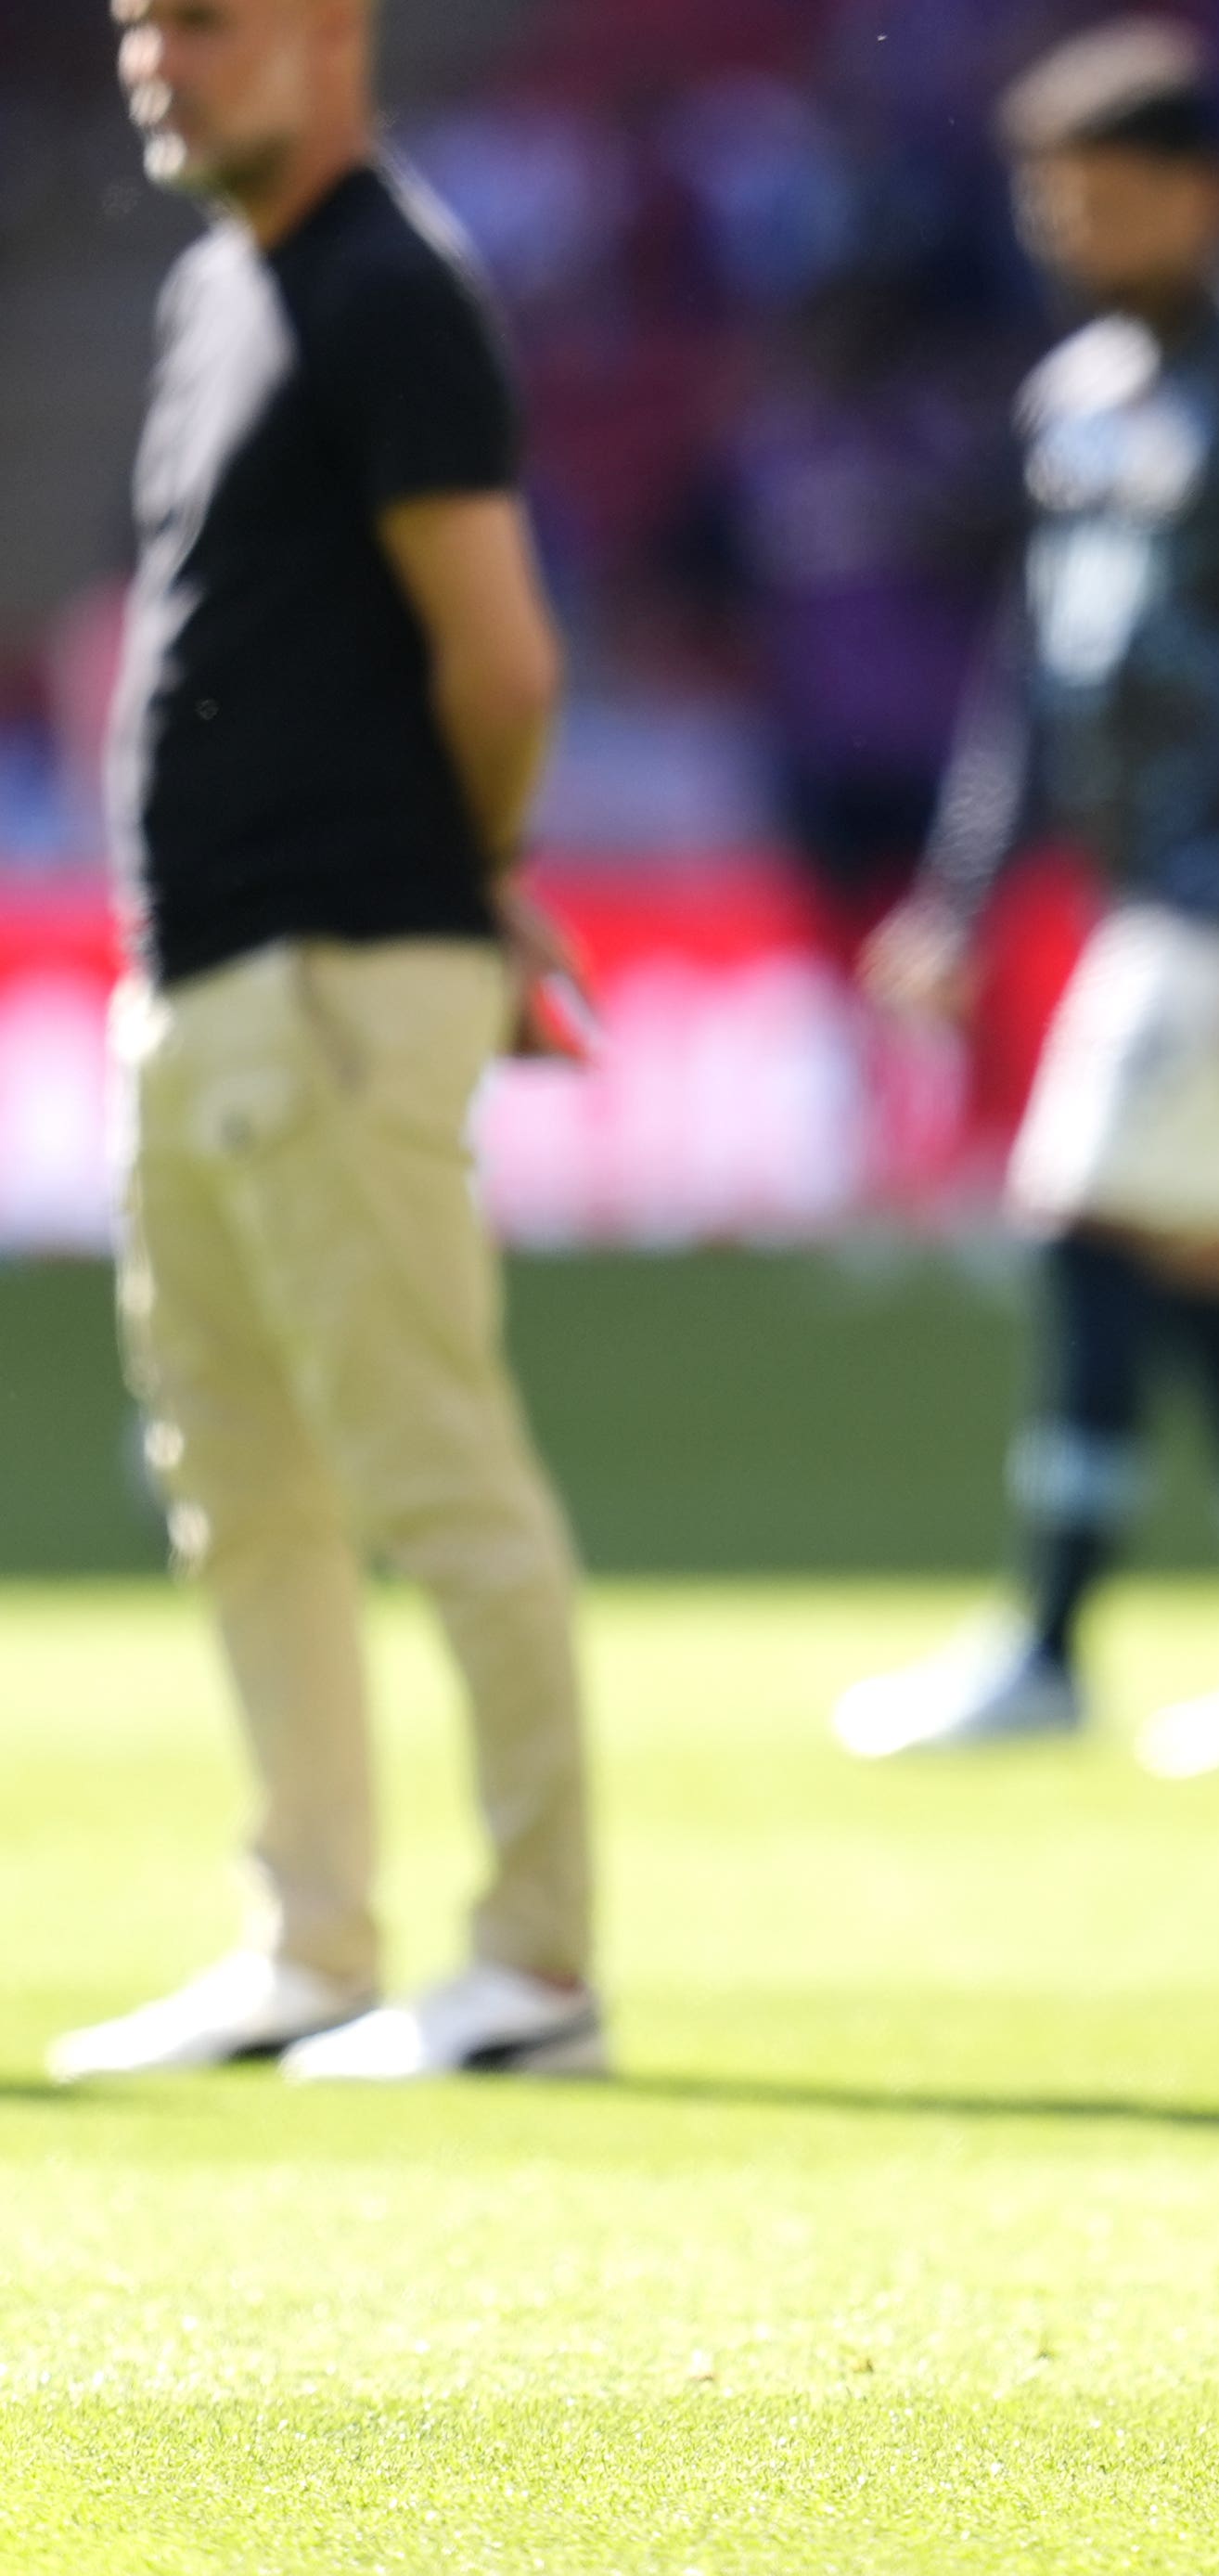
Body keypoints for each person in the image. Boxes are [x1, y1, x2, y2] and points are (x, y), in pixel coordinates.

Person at [52, 0, 602, 2082]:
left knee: (426, 1470)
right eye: (133, 26)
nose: (152, 63)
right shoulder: (232, 284)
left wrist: (474, 870)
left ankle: (536, 1966)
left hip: (338, 967)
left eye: (199, 23)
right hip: (202, 974)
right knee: (240, 1479)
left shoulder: (387, 286)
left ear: (326, 34)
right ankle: (311, 1938)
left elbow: (503, 652)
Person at [831, 19, 1219, 1776]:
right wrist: (961, 893)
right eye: (1051, 199)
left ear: (1204, 194)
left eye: (1108, 197)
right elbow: (1033, 672)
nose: (1074, 229)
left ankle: (1051, 1640)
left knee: (1087, 1218)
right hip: (1137, 891)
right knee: (1207, 1261)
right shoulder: (1077, 397)